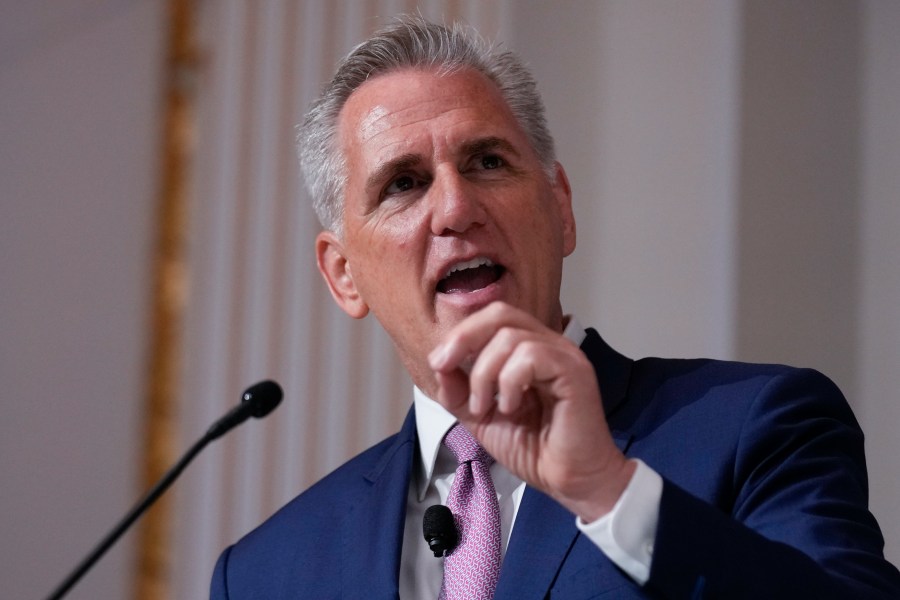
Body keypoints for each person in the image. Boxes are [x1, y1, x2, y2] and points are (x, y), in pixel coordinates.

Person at [210, 16, 900, 599]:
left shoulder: (756, 428)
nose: (455, 207)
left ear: (561, 210)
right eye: (404, 183)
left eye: (487, 163)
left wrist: (608, 491)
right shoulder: (267, 572)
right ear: (343, 275)